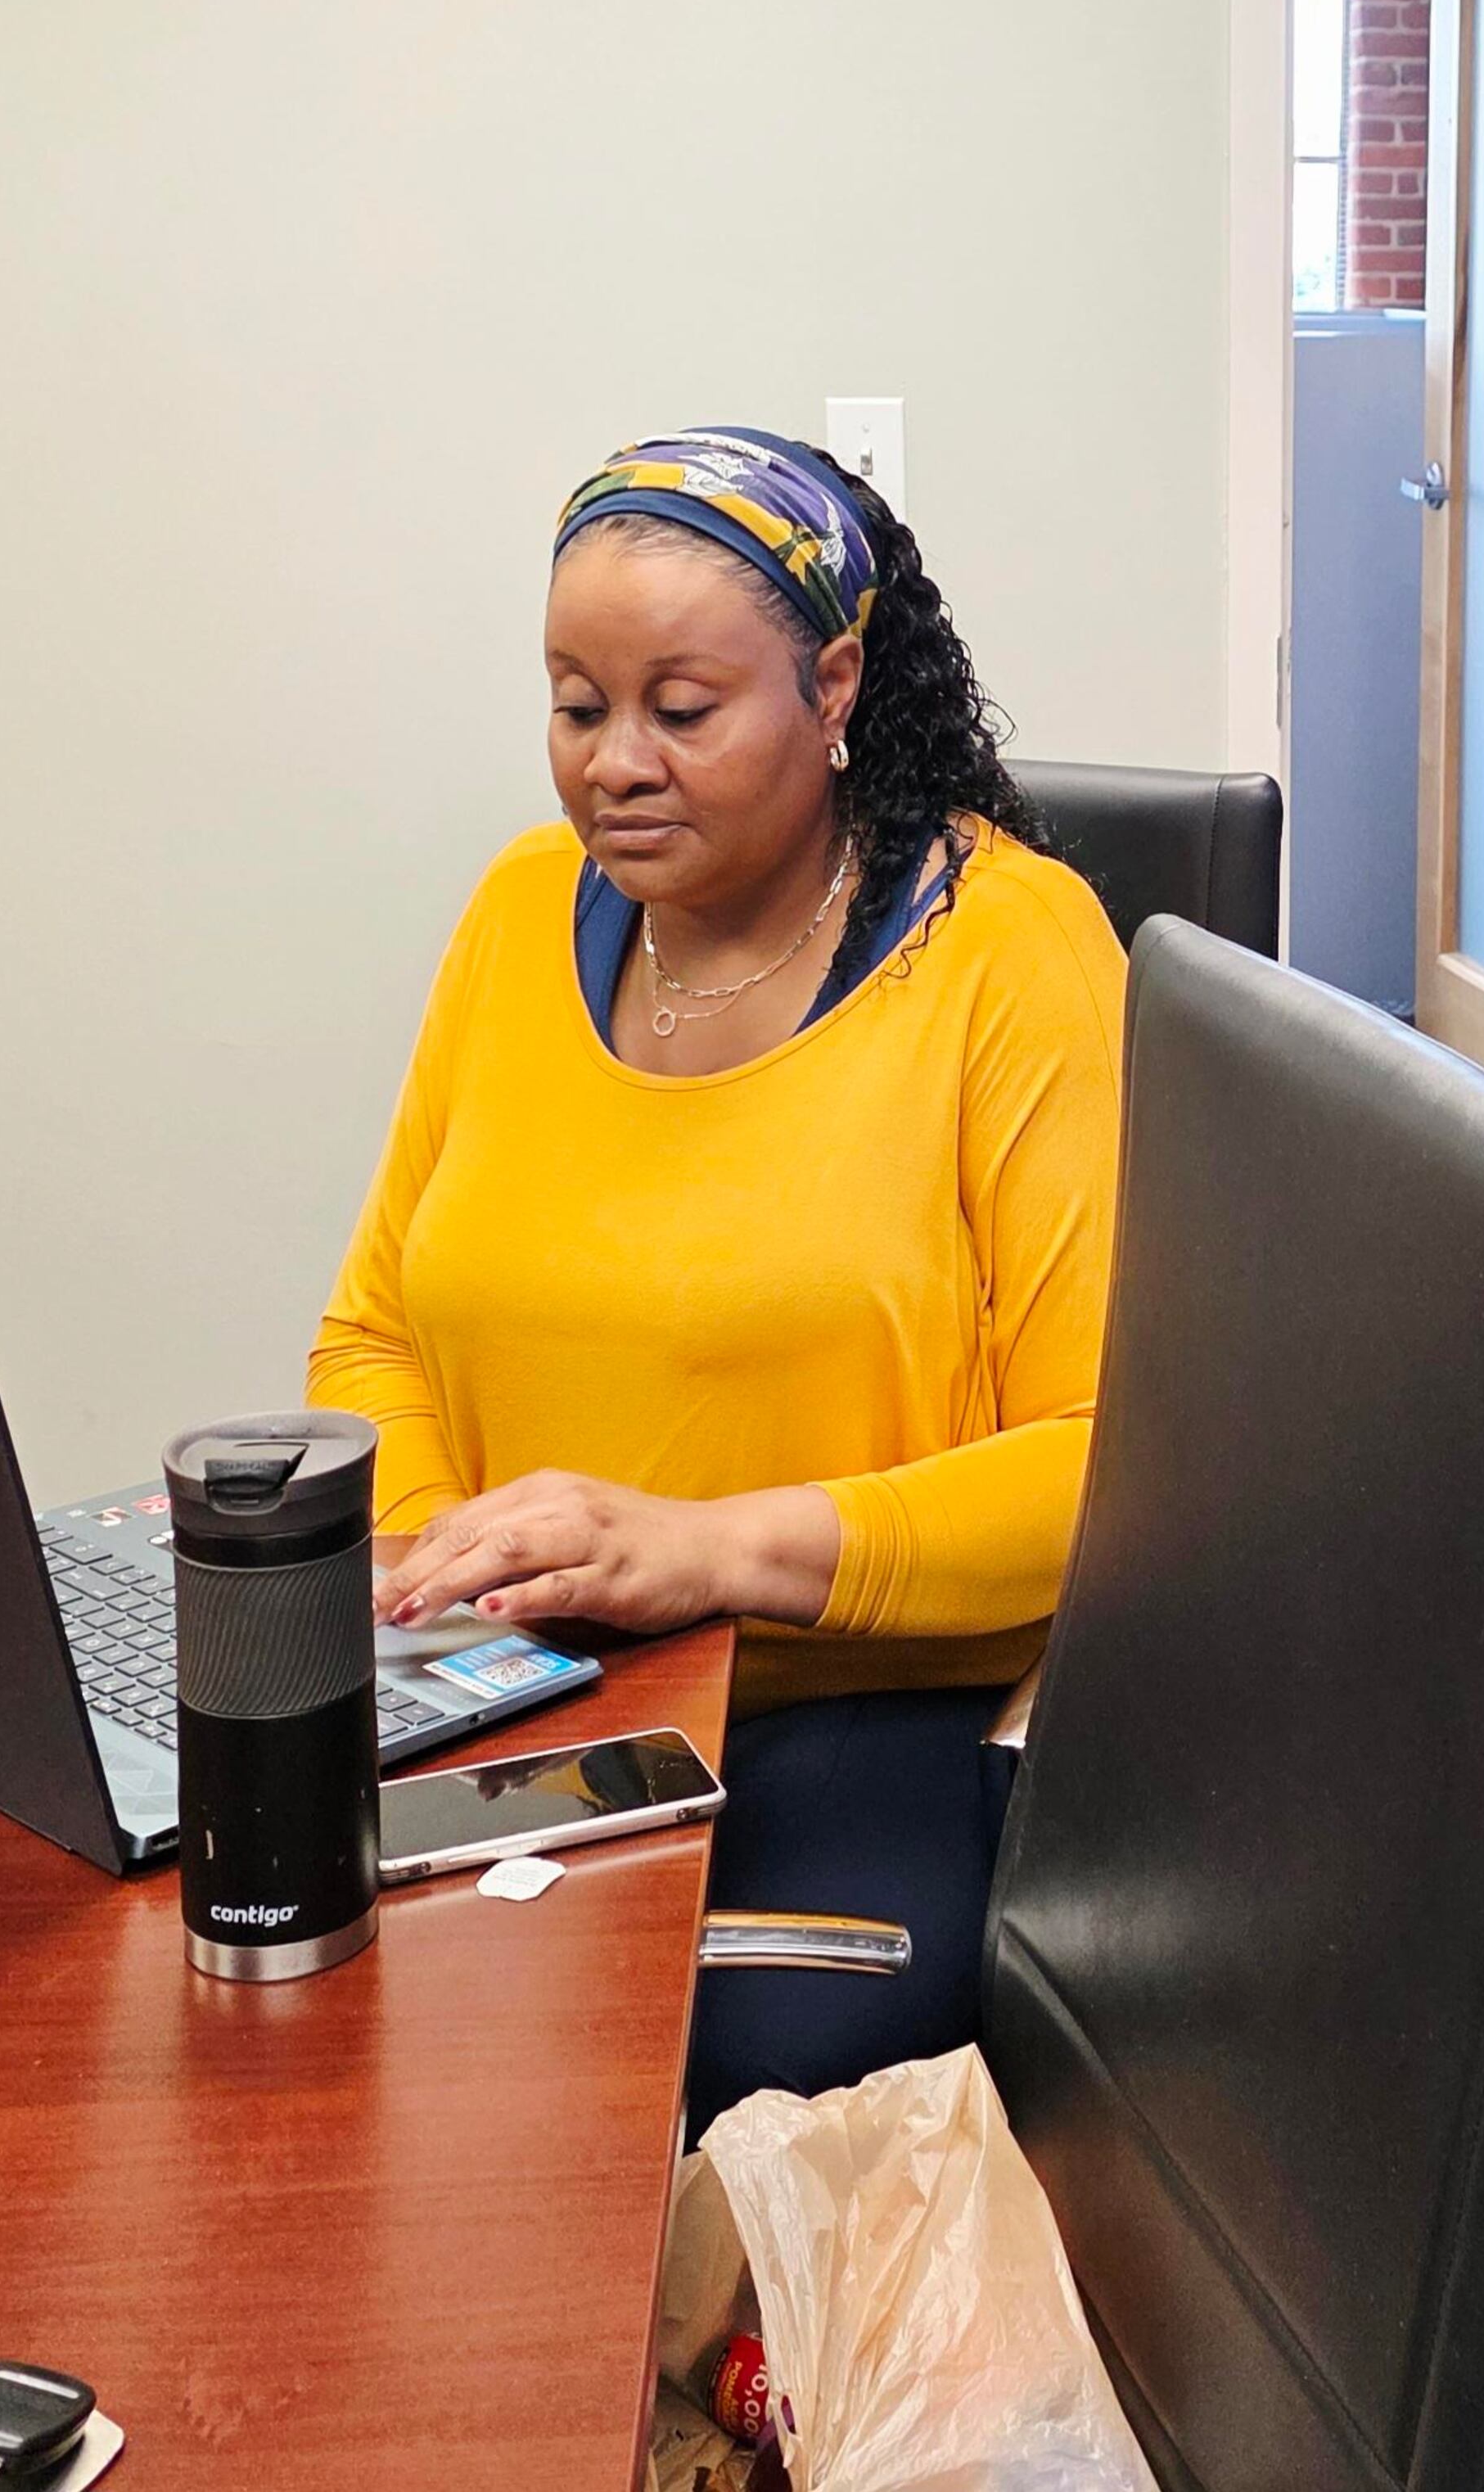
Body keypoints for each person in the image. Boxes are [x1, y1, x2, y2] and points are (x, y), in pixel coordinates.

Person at [308, 427, 1124, 2139]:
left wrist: (699, 1550)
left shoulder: (1013, 950)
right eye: (575, 704)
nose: (616, 766)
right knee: (271, 1976)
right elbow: (375, 1326)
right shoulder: (522, 911)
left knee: (665, 2075)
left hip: (849, 1704)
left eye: (682, 710)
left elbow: (1102, 1461)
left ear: (834, 684)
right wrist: (447, 1595)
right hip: (518, 1695)